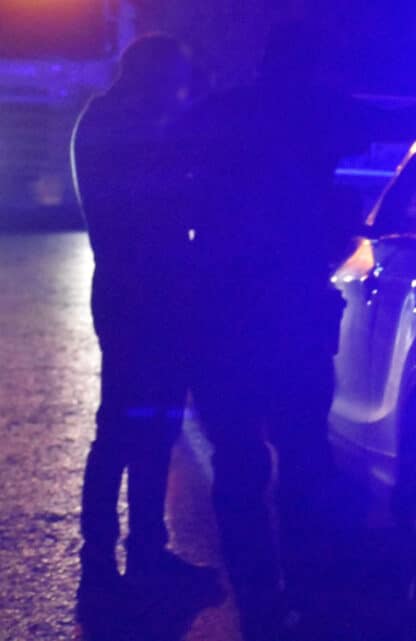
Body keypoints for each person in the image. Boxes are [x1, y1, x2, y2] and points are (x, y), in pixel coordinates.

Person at [177, 20, 416, 640]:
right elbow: (406, 122)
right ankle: (306, 593)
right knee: (302, 457)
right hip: (292, 313)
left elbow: (170, 189)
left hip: (222, 316)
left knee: (238, 465)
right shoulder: (317, 110)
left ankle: (258, 603)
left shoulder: (217, 113)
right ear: (314, 64)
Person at [70, 33, 205, 610]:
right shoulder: (127, 128)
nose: (179, 92)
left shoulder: (105, 120)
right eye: (174, 81)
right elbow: (165, 203)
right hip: (143, 297)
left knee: (135, 426)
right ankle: (123, 556)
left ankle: (120, 555)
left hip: (131, 294)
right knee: (137, 428)